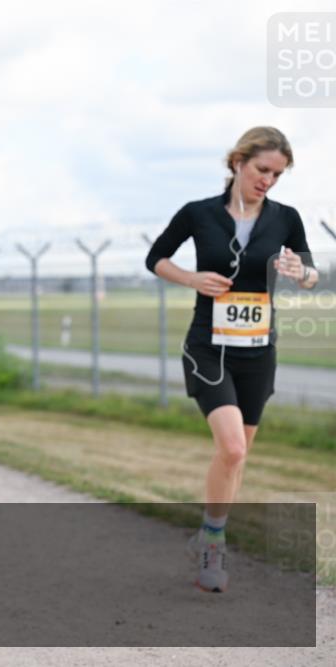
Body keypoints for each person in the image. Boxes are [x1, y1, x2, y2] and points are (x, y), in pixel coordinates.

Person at [145, 126, 318, 593]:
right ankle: (214, 544)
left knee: (236, 458)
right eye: (262, 170)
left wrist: (301, 271)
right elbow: (156, 257)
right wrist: (191, 278)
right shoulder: (199, 214)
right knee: (233, 448)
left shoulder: (285, 218)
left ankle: (208, 531)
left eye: (277, 175)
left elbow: (310, 270)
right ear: (238, 162)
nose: (268, 181)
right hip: (208, 347)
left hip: (259, 352)